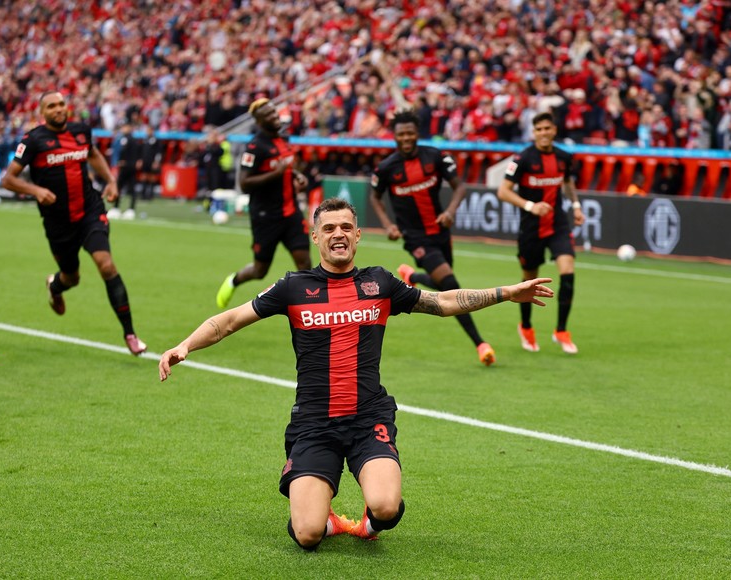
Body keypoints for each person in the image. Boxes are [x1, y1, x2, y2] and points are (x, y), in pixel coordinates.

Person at [158, 197, 554, 551]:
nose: (338, 234)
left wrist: (506, 292)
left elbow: (442, 302)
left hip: (368, 417)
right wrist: (184, 345)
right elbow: (228, 321)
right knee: (308, 534)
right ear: (315, 237)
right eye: (328, 228)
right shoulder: (293, 287)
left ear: (358, 235)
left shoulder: (379, 282)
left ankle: (367, 523)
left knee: (386, 508)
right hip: (314, 422)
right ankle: (326, 519)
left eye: (346, 227)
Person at [0, 91, 147, 356]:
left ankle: (130, 334)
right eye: (51, 106)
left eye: (61, 104)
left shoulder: (81, 132)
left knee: (107, 265)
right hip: (58, 222)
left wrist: (111, 181)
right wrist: (36, 191)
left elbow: (93, 156)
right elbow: (8, 179)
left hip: (89, 211)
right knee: (72, 277)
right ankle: (55, 286)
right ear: (42, 112)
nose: (58, 109)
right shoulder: (33, 140)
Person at [369, 108, 496, 366]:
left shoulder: (435, 156)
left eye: (410, 133)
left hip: (440, 230)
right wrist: (388, 225)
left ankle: (413, 277)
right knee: (451, 286)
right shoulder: (386, 168)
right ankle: (481, 344)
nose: (405, 138)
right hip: (415, 238)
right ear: (394, 136)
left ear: (417, 134)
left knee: (446, 284)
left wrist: (450, 211)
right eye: (400, 134)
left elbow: (460, 186)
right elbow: (375, 196)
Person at [496, 111, 586, 354]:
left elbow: (567, 183)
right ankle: (526, 326)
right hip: (531, 228)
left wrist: (576, 206)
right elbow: (503, 191)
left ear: (554, 130)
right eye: (539, 130)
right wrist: (530, 206)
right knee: (528, 281)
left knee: (568, 273)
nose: (544, 133)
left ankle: (561, 331)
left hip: (557, 224)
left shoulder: (564, 157)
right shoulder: (523, 158)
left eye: (547, 128)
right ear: (533, 133)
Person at [215, 98, 311, 308]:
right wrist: (274, 174)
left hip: (291, 211)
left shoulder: (284, 139)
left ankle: (308, 311)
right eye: (268, 115)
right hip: (266, 216)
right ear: (259, 122)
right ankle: (234, 280)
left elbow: (286, 166)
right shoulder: (255, 147)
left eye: (274, 113)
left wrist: (296, 176)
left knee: (305, 263)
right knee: (260, 271)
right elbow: (245, 183)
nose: (274, 117)